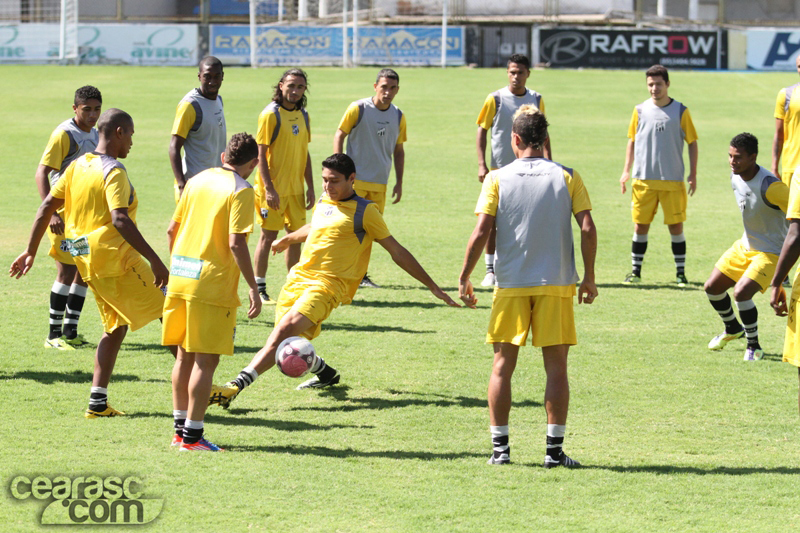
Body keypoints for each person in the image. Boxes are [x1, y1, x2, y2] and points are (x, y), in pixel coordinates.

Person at [209, 153, 459, 407]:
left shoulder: (366, 212)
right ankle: (325, 373)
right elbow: (316, 226)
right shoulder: (325, 199)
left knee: (284, 331)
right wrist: (289, 238)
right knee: (287, 341)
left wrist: (433, 287)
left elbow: (397, 252)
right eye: (325, 180)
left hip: (328, 286)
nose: (328, 186)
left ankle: (233, 388)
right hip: (298, 279)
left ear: (352, 179)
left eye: (335, 181)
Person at [459, 106, 597, 468]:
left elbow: (481, 232)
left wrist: (465, 276)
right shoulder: (568, 176)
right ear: (545, 140)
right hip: (557, 283)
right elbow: (587, 227)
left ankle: (500, 451)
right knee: (557, 368)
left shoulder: (496, 178)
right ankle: (553, 453)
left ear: (515, 139)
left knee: (503, 366)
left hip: (511, 284)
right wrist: (590, 277)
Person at [10, 109, 168, 418]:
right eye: (132, 135)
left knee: (116, 327)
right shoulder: (114, 171)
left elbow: (46, 207)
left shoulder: (77, 166)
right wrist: (156, 260)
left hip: (87, 263)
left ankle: (97, 403)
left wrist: (30, 250)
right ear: (119, 132)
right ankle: (201, 388)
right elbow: (119, 219)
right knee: (169, 313)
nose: (133, 142)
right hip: (117, 260)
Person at [163, 133, 262, 452]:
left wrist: (177, 266)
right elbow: (236, 243)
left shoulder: (196, 180)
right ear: (253, 164)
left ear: (223, 156)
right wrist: (253, 286)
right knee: (206, 362)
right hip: (211, 284)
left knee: (183, 356)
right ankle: (192, 437)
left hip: (181, 276)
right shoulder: (243, 191)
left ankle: (180, 431)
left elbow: (171, 230)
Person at [704, 133, 788, 362]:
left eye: (738, 157)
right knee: (712, 287)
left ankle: (754, 346)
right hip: (745, 245)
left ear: (753, 157)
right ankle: (733, 328)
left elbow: (796, 214)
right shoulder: (735, 176)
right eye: (730, 156)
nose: (732, 162)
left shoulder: (771, 187)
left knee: (741, 293)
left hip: (771, 252)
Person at [35, 85, 102, 350]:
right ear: (75, 108)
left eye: (97, 109)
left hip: (83, 217)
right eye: (87, 109)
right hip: (61, 216)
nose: (92, 115)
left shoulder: (96, 135)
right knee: (66, 272)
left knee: (83, 272)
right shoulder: (64, 134)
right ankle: (53, 335)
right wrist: (49, 211)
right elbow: (42, 172)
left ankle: (71, 331)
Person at [476, 54, 551, 288]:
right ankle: (490, 270)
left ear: (528, 73)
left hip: (531, 169)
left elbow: (544, 134)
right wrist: (481, 164)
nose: (515, 76)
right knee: (491, 220)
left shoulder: (536, 99)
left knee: (527, 219)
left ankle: (524, 266)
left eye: (520, 72)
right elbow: (482, 130)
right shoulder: (496, 99)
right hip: (500, 169)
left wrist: (549, 162)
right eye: (512, 72)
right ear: (507, 73)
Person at [620, 64, 698, 286]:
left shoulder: (681, 111)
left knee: (676, 226)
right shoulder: (640, 110)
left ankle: (680, 273)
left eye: (658, 84)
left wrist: (693, 173)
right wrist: (626, 170)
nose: (654, 88)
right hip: (643, 179)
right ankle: (635, 272)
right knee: (640, 226)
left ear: (668, 84)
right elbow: (632, 140)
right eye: (650, 84)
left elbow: (692, 142)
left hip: (672, 180)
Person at [333, 68, 407, 288]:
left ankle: (361, 275)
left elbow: (399, 150)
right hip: (354, 182)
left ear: (397, 90)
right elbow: (340, 134)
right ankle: (338, 271)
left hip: (380, 183)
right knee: (345, 228)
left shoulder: (398, 115)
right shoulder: (358, 108)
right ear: (375, 86)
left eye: (393, 88)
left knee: (369, 233)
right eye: (384, 87)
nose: (388, 92)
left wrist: (399, 181)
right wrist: (339, 170)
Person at [252, 68, 315, 304]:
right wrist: (269, 188)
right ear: (281, 86)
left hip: (296, 190)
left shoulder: (304, 115)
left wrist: (309, 185)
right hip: (273, 190)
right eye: (291, 86)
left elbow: (304, 152)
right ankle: (259, 287)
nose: (295, 91)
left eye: (300, 87)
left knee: (296, 237)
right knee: (268, 236)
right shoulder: (270, 115)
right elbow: (260, 154)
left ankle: (293, 286)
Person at [168, 56, 226, 202]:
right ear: (199, 76)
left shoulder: (218, 100)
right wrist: (182, 185)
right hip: (194, 186)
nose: (212, 82)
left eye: (216, 76)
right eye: (207, 77)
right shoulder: (190, 105)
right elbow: (174, 147)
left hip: (216, 185)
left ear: (222, 77)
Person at [772, 55, 800, 186]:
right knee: (790, 207)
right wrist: (774, 167)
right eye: (799, 66)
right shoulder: (786, 94)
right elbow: (779, 134)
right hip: (792, 166)